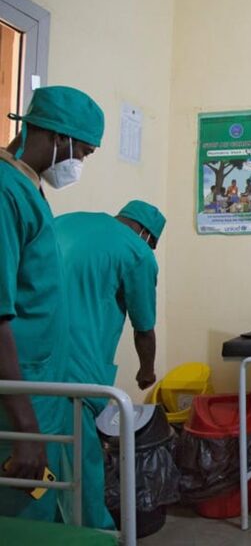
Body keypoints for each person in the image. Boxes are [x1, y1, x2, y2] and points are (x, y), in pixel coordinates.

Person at [0, 86, 103, 521]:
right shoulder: (6, 193)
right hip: (15, 393)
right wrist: (26, 428)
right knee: (18, 515)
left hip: (39, 385)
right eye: (82, 151)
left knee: (40, 507)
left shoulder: (28, 188)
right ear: (58, 135)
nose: (79, 162)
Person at [54, 199, 166, 529]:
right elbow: (143, 328)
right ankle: (95, 533)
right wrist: (147, 371)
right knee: (81, 461)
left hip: (25, 358)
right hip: (74, 369)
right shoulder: (137, 252)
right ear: (146, 234)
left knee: (32, 456)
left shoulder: (68, 220)